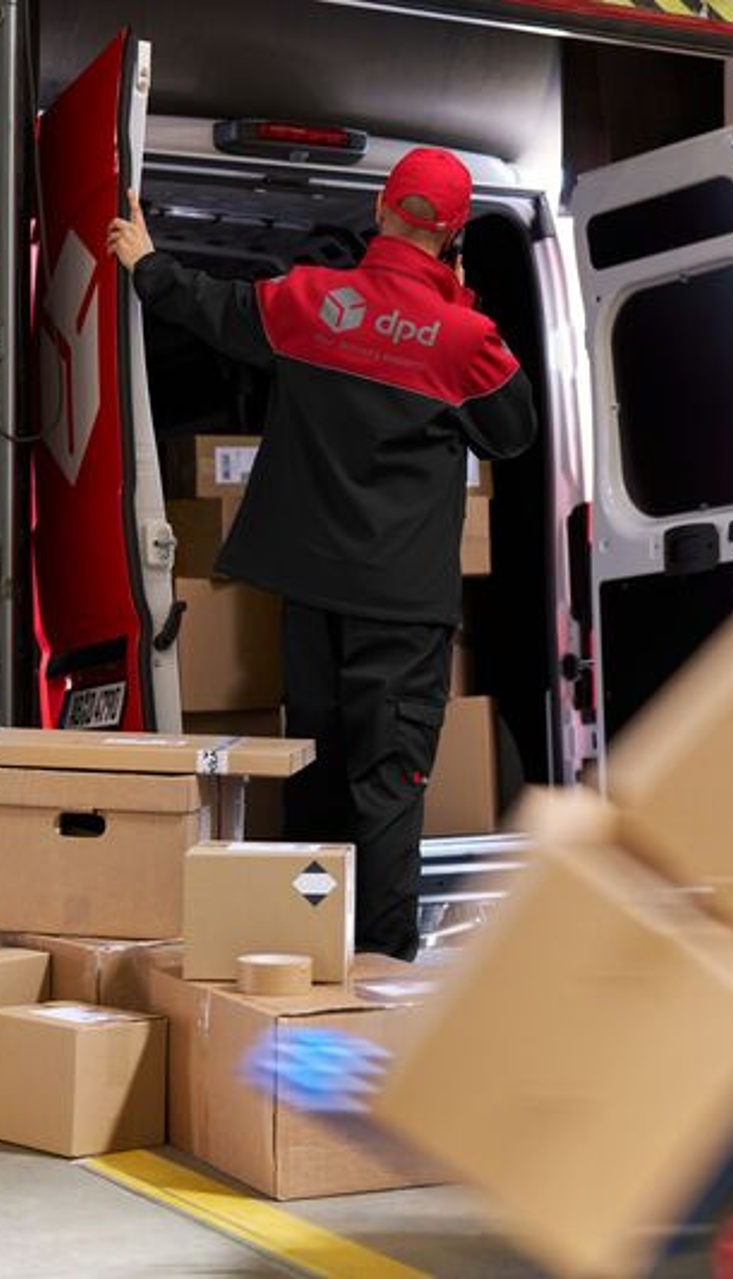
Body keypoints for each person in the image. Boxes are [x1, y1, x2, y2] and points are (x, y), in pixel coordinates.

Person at [109, 148, 539, 961]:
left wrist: (149, 262)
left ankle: (299, 957)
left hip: (310, 594)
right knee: (389, 789)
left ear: (381, 207)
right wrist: (459, 298)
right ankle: (376, 980)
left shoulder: (309, 299)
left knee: (312, 772)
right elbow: (513, 434)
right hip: (402, 610)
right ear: (452, 232)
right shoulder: (464, 339)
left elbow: (214, 308)